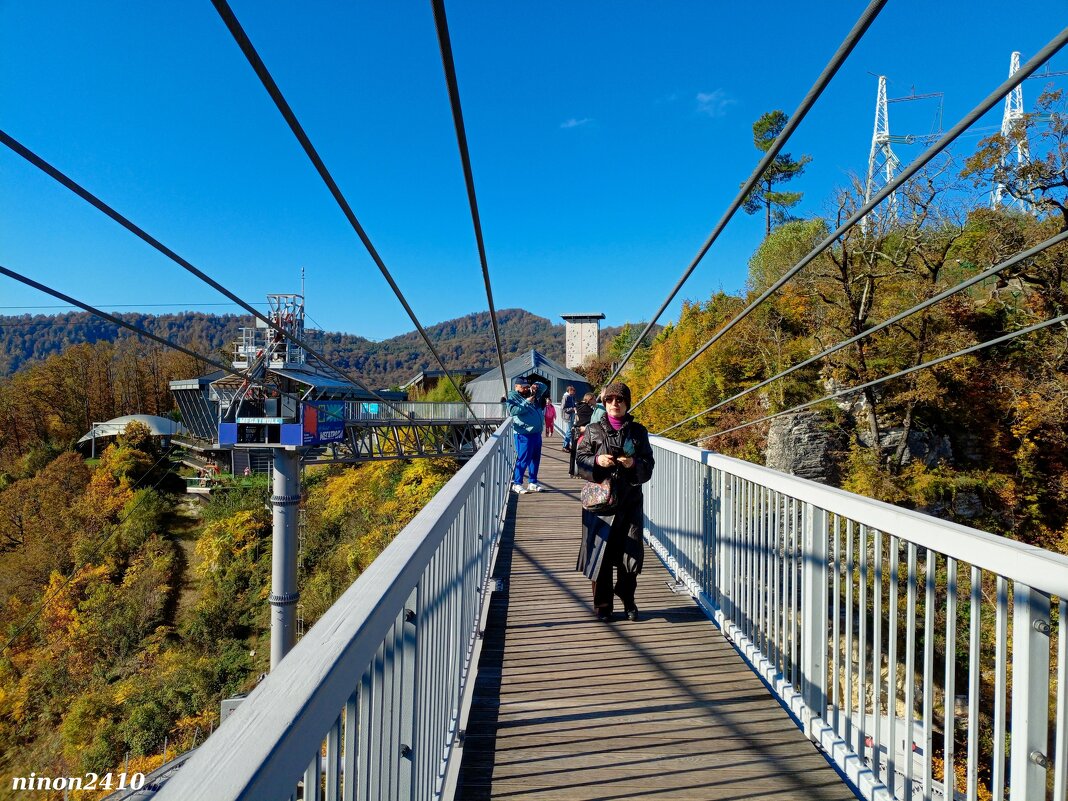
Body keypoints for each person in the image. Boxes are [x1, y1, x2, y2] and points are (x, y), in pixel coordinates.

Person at [576, 382, 655, 622]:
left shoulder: (638, 431)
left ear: (627, 403)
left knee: (629, 556)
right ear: (604, 403)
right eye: (609, 400)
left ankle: (628, 599)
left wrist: (633, 464)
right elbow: (579, 460)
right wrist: (597, 462)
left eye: (619, 400)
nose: (614, 404)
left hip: (629, 503)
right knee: (600, 556)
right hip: (601, 504)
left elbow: (648, 466)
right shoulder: (592, 430)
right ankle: (602, 607)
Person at [507, 376, 548, 494]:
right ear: (516, 387)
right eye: (523, 387)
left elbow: (544, 387)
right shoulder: (512, 396)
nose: (525, 389)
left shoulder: (532, 392)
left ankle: (533, 482)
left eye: (526, 386)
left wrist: (536, 385)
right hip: (523, 434)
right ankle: (517, 483)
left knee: (535, 459)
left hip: (536, 433)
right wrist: (526, 402)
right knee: (523, 459)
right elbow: (513, 411)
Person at [569, 391, 596, 478]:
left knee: (574, 451)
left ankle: (572, 471)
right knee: (581, 452)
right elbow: (593, 421)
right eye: (594, 399)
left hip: (575, 430)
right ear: (590, 399)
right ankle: (579, 471)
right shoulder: (587, 409)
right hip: (581, 432)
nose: (595, 401)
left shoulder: (578, 406)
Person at [560, 385, 577, 451]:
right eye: (573, 390)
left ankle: (566, 446)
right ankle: (565, 446)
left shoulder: (571, 397)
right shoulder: (566, 397)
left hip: (571, 416)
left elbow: (573, 405)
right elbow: (563, 408)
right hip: (569, 416)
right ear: (569, 390)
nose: (574, 392)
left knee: (568, 431)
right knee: (569, 431)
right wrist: (572, 409)